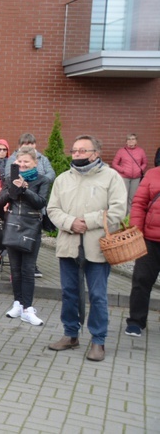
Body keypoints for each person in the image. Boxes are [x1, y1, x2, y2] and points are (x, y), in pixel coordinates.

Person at [46, 135, 127, 362]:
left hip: (97, 247)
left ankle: (98, 340)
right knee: (69, 292)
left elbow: (118, 211)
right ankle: (70, 334)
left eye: (83, 150)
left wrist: (88, 221)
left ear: (96, 153)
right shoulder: (63, 179)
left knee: (98, 296)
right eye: (74, 150)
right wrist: (70, 222)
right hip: (68, 245)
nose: (77, 154)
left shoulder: (111, 177)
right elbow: (52, 209)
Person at [0, 147, 50, 325]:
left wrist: (25, 190)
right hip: (12, 225)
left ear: (35, 163)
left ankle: (28, 308)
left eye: (26, 161)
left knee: (28, 269)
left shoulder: (43, 180)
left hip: (31, 227)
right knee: (15, 269)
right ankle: (17, 303)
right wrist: (13, 188)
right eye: (19, 161)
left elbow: (40, 202)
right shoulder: (10, 179)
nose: (22, 165)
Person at [5, 132, 56, 278]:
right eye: (25, 144)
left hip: (35, 206)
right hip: (18, 209)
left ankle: (32, 265)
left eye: (31, 144)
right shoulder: (13, 159)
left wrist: (38, 182)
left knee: (34, 238)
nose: (29, 147)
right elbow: (9, 176)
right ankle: (18, 268)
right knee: (16, 240)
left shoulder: (42, 158)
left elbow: (51, 173)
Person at [125, 165, 160, 337]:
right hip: (150, 240)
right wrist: (137, 231)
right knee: (141, 280)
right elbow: (139, 204)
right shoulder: (153, 174)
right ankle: (136, 322)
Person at [112, 133, 147, 211]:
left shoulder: (141, 151)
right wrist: (123, 170)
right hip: (124, 177)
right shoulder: (121, 151)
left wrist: (140, 169)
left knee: (132, 197)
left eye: (133, 139)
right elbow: (114, 163)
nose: (131, 141)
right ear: (126, 142)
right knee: (123, 196)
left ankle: (129, 216)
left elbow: (144, 163)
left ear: (136, 141)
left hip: (136, 178)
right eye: (129, 139)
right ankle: (122, 215)